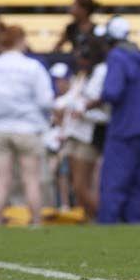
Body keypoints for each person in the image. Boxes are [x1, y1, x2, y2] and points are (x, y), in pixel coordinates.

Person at [0, 25, 55, 225]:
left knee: (1, 181)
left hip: (1, 128)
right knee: (31, 179)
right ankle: (35, 222)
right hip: (28, 129)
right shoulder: (32, 66)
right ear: (21, 41)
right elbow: (45, 100)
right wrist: (42, 120)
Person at [97, 16, 140, 223]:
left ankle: (109, 223)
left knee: (114, 181)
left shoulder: (117, 56)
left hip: (124, 127)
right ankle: (135, 225)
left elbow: (112, 91)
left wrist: (98, 98)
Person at [56, 38, 109, 218]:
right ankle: (91, 217)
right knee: (76, 184)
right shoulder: (82, 75)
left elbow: (105, 110)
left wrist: (83, 112)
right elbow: (71, 100)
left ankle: (101, 218)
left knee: (81, 184)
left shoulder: (102, 72)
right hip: (75, 133)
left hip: (89, 134)